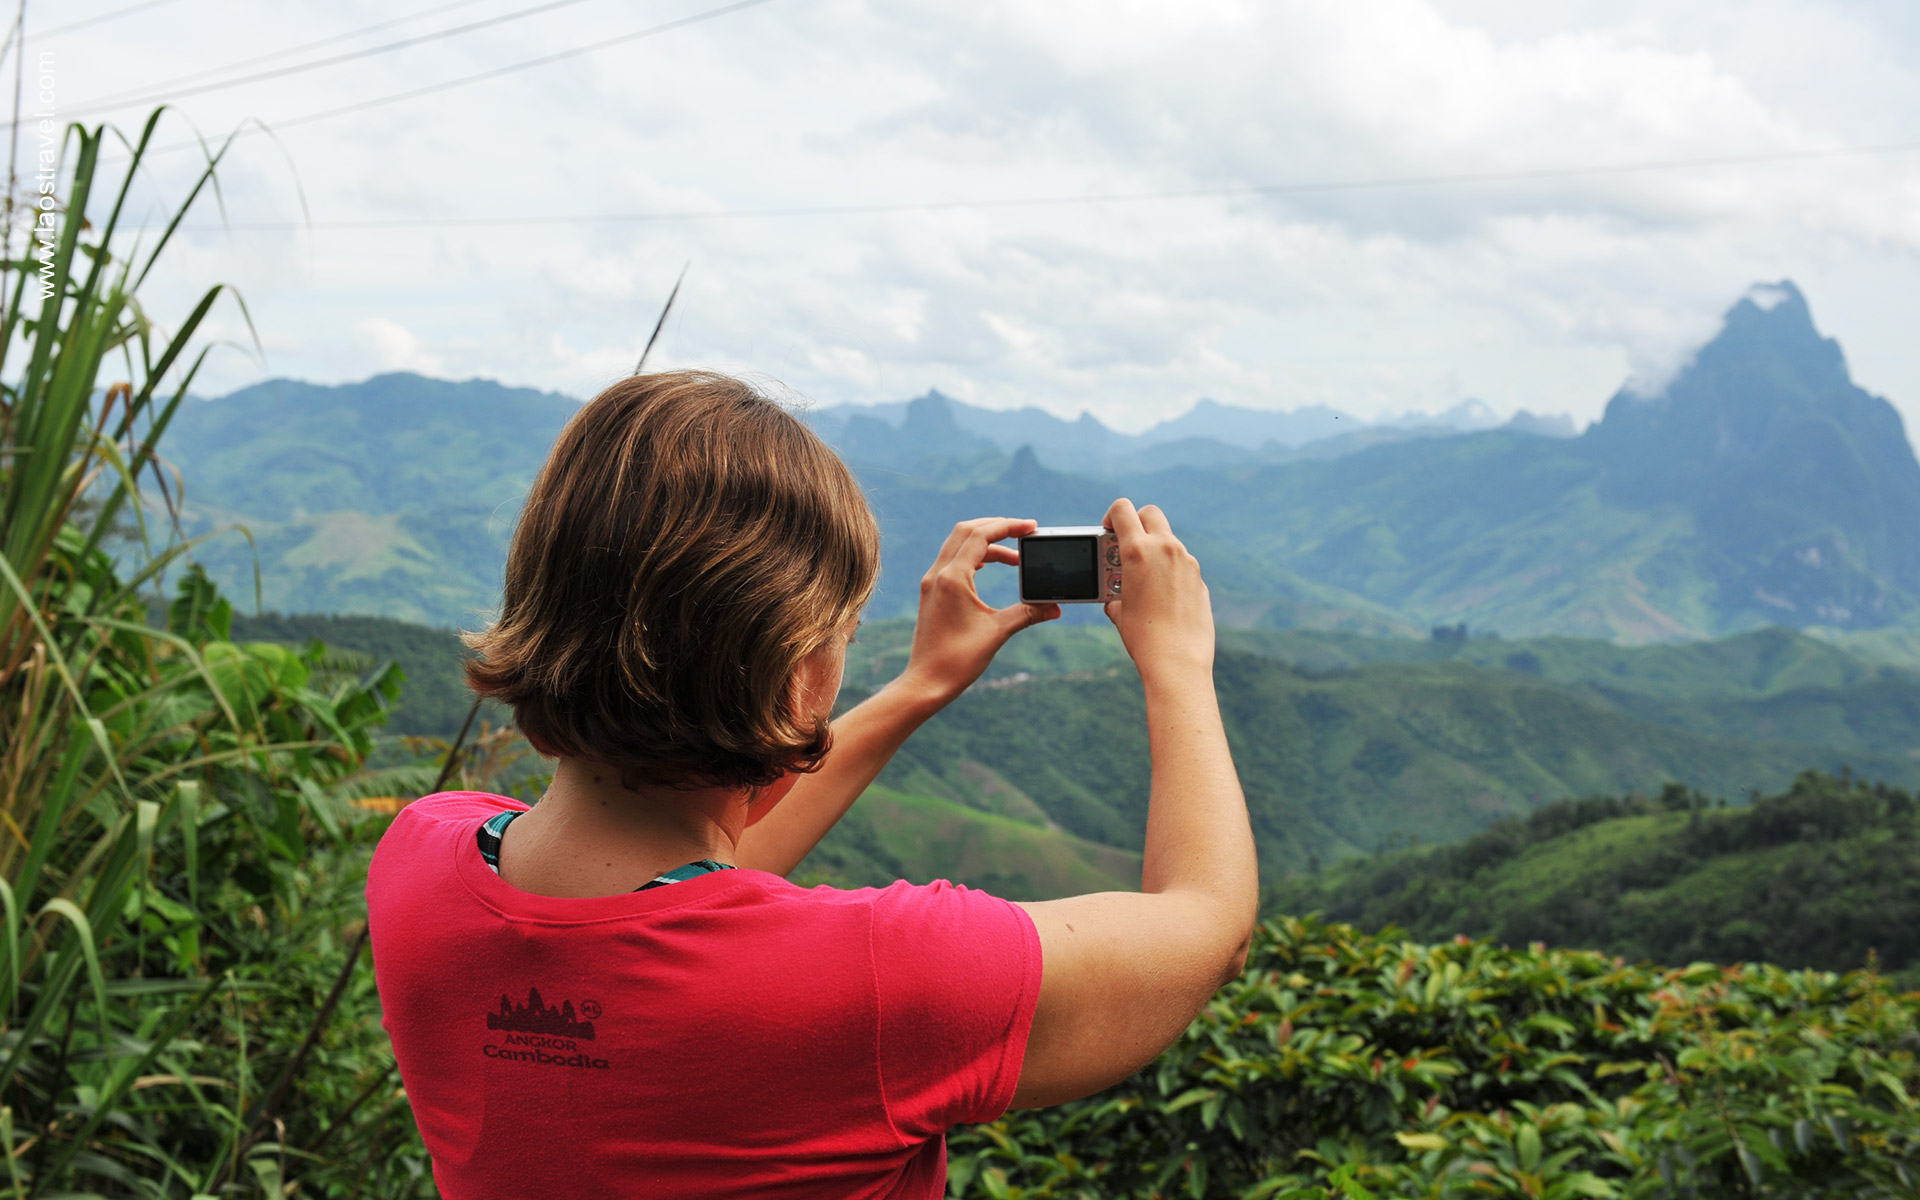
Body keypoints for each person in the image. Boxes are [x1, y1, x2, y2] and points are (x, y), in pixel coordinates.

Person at [366, 370, 1257, 1199]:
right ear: (796, 668)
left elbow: (669, 897)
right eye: (843, 629)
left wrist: (917, 688)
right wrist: (1178, 663)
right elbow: (1208, 925)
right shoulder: (881, 980)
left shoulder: (418, 863)